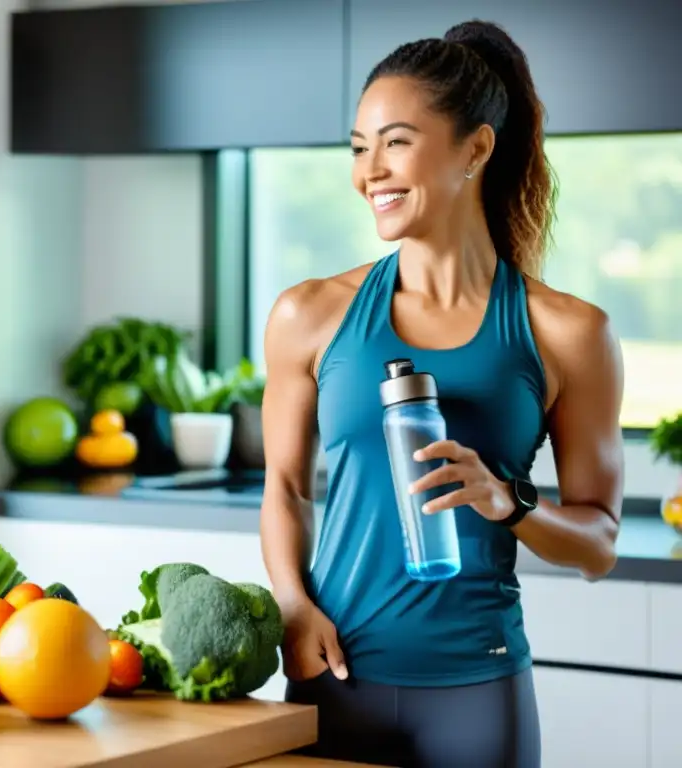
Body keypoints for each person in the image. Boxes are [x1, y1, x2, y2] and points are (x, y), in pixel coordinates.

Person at [258, 19, 625, 768]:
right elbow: (287, 489)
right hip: (333, 676)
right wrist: (294, 605)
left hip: (479, 689)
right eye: (360, 149)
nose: (369, 173)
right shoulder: (309, 316)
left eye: (395, 142)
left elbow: (599, 543)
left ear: (476, 148)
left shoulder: (568, 333)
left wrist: (507, 500)